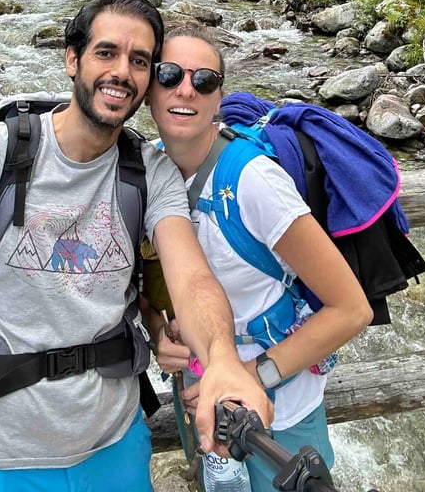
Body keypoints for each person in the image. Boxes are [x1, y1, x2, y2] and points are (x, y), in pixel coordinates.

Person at [0, 0, 271, 492]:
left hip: (116, 445)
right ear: (72, 59)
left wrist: (224, 358)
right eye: (106, 53)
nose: (122, 71)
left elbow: (192, 279)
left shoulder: (150, 172)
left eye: (140, 60)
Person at [144, 24, 373, 492]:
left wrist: (249, 377)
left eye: (203, 79)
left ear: (218, 95)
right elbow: (152, 287)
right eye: (168, 74)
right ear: (148, 87)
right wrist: (156, 333)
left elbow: (351, 309)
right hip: (202, 398)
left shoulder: (253, 182)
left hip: (280, 411)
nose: (185, 88)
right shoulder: (147, 169)